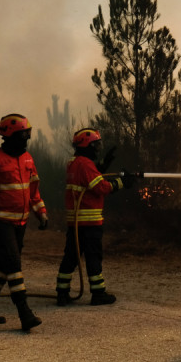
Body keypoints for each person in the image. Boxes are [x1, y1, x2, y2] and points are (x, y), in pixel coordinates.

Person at [0, 113, 48, 332]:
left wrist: (41, 212)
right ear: (9, 136)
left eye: (28, 134)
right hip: (2, 223)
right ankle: (24, 312)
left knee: (5, 265)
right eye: (22, 135)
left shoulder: (27, 158)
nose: (26, 139)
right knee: (14, 265)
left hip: (21, 223)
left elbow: (33, 190)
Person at [55, 128, 136, 306]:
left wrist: (103, 165)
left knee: (71, 256)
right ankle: (98, 294)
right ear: (87, 145)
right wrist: (123, 182)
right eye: (96, 145)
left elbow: (89, 178)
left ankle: (62, 292)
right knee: (93, 256)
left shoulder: (74, 162)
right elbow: (101, 187)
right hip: (89, 221)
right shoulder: (85, 164)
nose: (98, 148)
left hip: (76, 222)